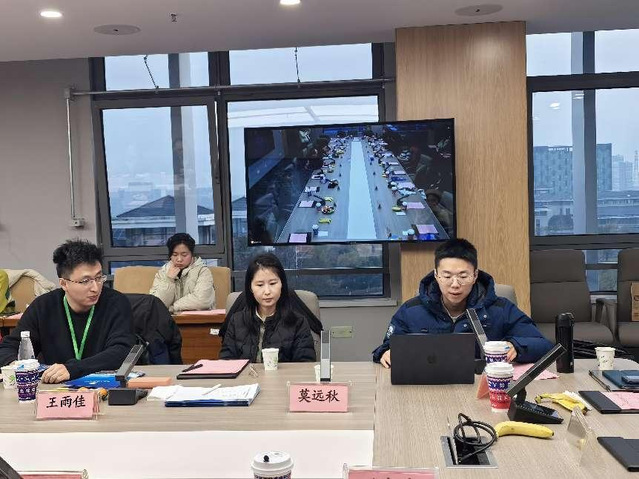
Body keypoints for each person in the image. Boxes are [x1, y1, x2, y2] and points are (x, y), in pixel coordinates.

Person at [373, 238, 552, 368]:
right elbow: (386, 347)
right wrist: (385, 353)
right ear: (436, 275)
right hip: (428, 390)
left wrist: (516, 346)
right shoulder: (411, 310)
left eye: (463, 276)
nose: (455, 284)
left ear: (475, 275)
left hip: (480, 389)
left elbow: (543, 345)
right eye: (447, 276)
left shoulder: (500, 309)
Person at [0, 240, 135, 383]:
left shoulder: (116, 303)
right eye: (85, 281)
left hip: (105, 386)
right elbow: (8, 347)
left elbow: (122, 351)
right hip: (54, 389)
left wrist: (73, 369)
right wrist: (15, 364)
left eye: (98, 278)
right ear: (64, 283)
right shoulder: (43, 306)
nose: (95, 288)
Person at [220, 253, 316, 363]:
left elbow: (305, 365)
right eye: (260, 285)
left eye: (273, 283)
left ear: (282, 284)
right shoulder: (236, 321)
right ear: (250, 288)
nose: (267, 291)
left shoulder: (298, 322)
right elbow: (226, 363)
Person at [150, 233, 215, 312]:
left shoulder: (202, 271)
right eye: (175, 255)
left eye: (184, 255)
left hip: (198, 318)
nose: (179, 259)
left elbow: (202, 300)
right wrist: (169, 280)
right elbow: (156, 303)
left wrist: (172, 308)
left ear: (192, 254)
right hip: (168, 319)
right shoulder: (163, 272)